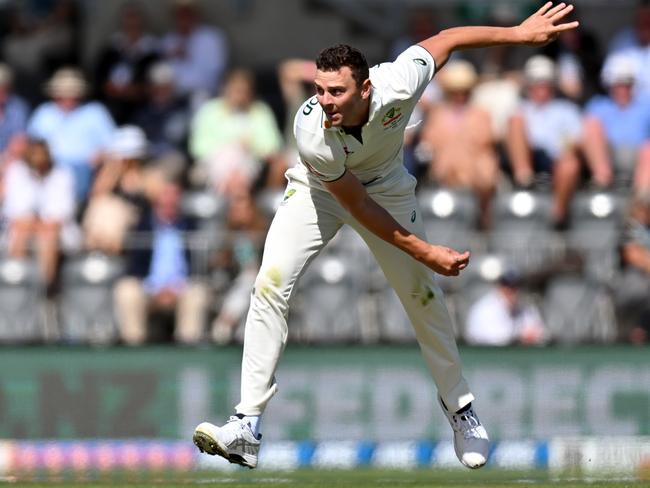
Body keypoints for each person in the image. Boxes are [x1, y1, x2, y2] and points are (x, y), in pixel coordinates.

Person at [193, 2, 578, 471]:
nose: (325, 100)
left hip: (388, 188)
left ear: (366, 87)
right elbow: (355, 205)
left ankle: (461, 410)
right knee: (269, 284)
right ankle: (246, 425)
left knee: (421, 295)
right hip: (323, 190)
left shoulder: (399, 80)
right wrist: (427, 249)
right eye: (319, 89)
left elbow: (448, 39)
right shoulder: (311, 129)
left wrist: (517, 35)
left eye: (337, 91)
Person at [505, 55, 582, 228]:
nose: (541, 89)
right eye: (536, 84)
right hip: (530, 156)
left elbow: (575, 140)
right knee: (515, 122)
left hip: (557, 158)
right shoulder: (520, 109)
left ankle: (557, 215)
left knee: (570, 164)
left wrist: (564, 151)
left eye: (545, 84)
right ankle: (523, 179)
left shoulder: (566, 109)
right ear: (529, 86)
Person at [419, 60, 498, 229]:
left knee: (485, 165)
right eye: (456, 92)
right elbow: (429, 142)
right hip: (443, 170)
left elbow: (485, 141)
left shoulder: (480, 113)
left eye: (464, 91)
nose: (460, 96)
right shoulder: (438, 113)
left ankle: (482, 218)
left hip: (474, 171)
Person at [3, 139, 74, 289]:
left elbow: (62, 213)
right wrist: (32, 223)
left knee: (48, 238)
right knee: (21, 232)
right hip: (24, 228)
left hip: (54, 231)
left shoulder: (62, 173)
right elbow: (15, 211)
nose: (38, 159)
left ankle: (44, 290)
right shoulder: (17, 171)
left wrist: (41, 223)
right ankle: (17, 287)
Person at [582, 54, 650, 192]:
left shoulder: (645, 105)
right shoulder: (598, 105)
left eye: (627, 84)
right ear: (609, 84)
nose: (623, 89)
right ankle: (602, 181)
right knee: (591, 126)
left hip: (639, 157)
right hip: (608, 154)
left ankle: (642, 199)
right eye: (618, 84)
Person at [464, 270, 547, 346]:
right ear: (500, 286)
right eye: (508, 286)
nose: (512, 291)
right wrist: (520, 337)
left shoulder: (526, 308)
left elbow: (543, 334)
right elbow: (490, 340)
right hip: (485, 359)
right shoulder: (483, 309)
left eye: (516, 286)